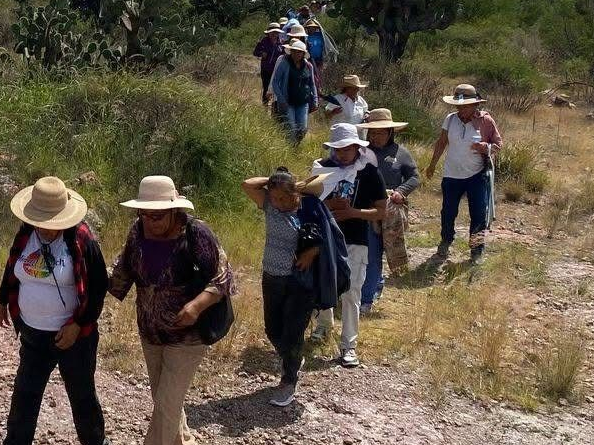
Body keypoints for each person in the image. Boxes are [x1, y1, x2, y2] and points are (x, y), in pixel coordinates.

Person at [109, 175, 235, 445]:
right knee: (165, 400)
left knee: (166, 405)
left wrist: (196, 305)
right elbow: (123, 272)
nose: (149, 221)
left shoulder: (196, 233)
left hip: (187, 335)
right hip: (150, 331)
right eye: (144, 214)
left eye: (157, 216)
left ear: (174, 209)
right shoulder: (137, 231)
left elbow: (224, 277)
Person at [0, 176, 110, 445]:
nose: (46, 229)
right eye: (41, 222)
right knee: (24, 396)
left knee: (82, 398)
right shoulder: (26, 233)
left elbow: (98, 287)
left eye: (51, 223)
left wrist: (77, 325)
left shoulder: (82, 239)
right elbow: (12, 265)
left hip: (73, 338)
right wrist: (3, 300)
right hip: (33, 334)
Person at [241, 169, 339, 406]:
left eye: (285, 197)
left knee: (293, 331)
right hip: (272, 277)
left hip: (300, 281)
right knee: (273, 330)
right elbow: (247, 184)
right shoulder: (270, 207)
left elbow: (328, 238)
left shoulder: (310, 206)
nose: (280, 203)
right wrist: (274, 181)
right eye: (275, 197)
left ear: (295, 192)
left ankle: (289, 379)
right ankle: (292, 357)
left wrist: (312, 252)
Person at [309, 123, 387, 368]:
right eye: (338, 149)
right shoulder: (322, 169)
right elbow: (308, 203)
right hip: (326, 236)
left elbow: (380, 211)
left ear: (356, 147)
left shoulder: (369, 172)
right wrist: (329, 207)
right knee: (323, 283)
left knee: (352, 291)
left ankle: (349, 345)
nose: (342, 154)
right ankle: (323, 325)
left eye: (347, 149)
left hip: (355, 239)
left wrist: (352, 212)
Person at [425, 84, 503, 264]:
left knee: (478, 214)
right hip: (451, 174)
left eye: (465, 105)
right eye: (458, 106)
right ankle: (446, 240)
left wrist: (484, 147)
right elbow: (442, 142)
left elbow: (498, 145)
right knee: (448, 212)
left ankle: (476, 250)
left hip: (476, 175)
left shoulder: (485, 121)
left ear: (475, 105)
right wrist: (432, 165)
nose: (461, 109)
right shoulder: (450, 119)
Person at [355, 109, 420, 313]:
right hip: (365, 209)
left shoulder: (401, 152)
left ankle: (372, 291)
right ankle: (366, 297)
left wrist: (401, 191)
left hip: (391, 209)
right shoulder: (360, 152)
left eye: (382, 132)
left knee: (385, 250)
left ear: (391, 132)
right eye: (373, 132)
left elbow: (414, 177)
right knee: (369, 252)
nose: (376, 136)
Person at [270, 37, 318, 145]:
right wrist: (281, 99)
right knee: (291, 127)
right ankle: (291, 149)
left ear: (303, 53)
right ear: (291, 52)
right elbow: (275, 82)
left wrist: (315, 100)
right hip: (288, 102)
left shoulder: (308, 66)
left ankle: (295, 145)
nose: (297, 54)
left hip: (303, 102)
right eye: (295, 51)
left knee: (302, 128)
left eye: (299, 52)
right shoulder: (284, 63)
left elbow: (312, 84)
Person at [253, 22, 285, 105]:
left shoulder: (281, 43)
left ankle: (274, 107)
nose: (275, 34)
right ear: (269, 32)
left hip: (276, 70)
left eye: (276, 32)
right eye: (273, 32)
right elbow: (255, 52)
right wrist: (261, 53)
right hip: (265, 69)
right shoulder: (263, 41)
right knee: (266, 87)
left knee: (276, 88)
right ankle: (265, 105)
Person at [303, 18, 325, 90]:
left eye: (314, 28)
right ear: (308, 28)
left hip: (319, 59)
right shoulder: (305, 37)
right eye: (310, 28)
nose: (312, 29)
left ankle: (318, 90)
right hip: (309, 59)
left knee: (318, 75)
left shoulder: (321, 36)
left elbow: (323, 47)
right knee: (311, 76)